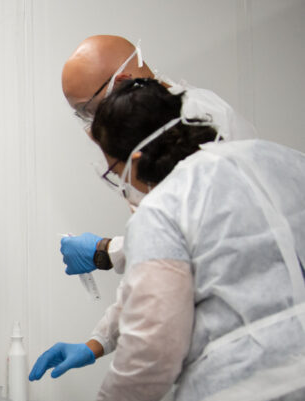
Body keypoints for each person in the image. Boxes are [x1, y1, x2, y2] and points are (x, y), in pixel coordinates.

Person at [33, 78, 305, 401]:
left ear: (132, 159)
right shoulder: (280, 160)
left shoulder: (168, 203)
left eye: (112, 168)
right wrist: (94, 342)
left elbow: (154, 339)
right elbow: (165, 283)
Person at [60, 34, 257, 276]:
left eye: (88, 110)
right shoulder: (145, 128)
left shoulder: (200, 118)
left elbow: (188, 233)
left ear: (122, 83)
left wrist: (108, 251)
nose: (91, 125)